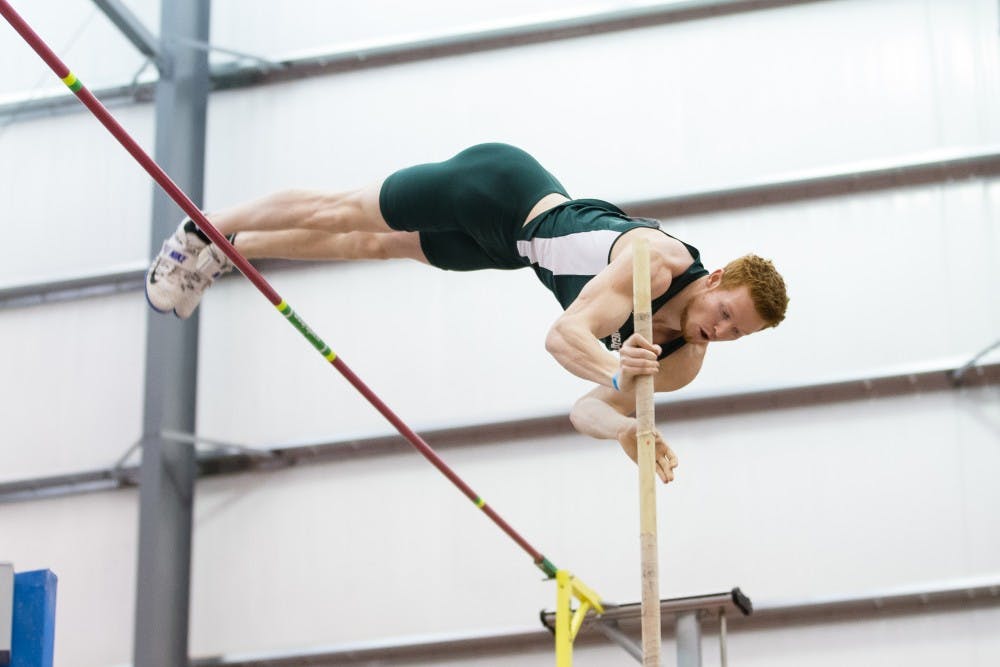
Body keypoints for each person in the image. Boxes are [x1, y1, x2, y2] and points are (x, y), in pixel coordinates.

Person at [145, 143, 788, 485]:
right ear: (720, 277)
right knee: (344, 213)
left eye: (738, 333)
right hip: (500, 188)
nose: (721, 330)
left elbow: (585, 407)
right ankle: (205, 228)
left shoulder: (683, 363)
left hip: (509, 249)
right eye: (727, 312)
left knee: (374, 248)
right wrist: (620, 373)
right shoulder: (656, 262)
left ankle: (234, 250)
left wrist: (626, 430)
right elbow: (565, 336)